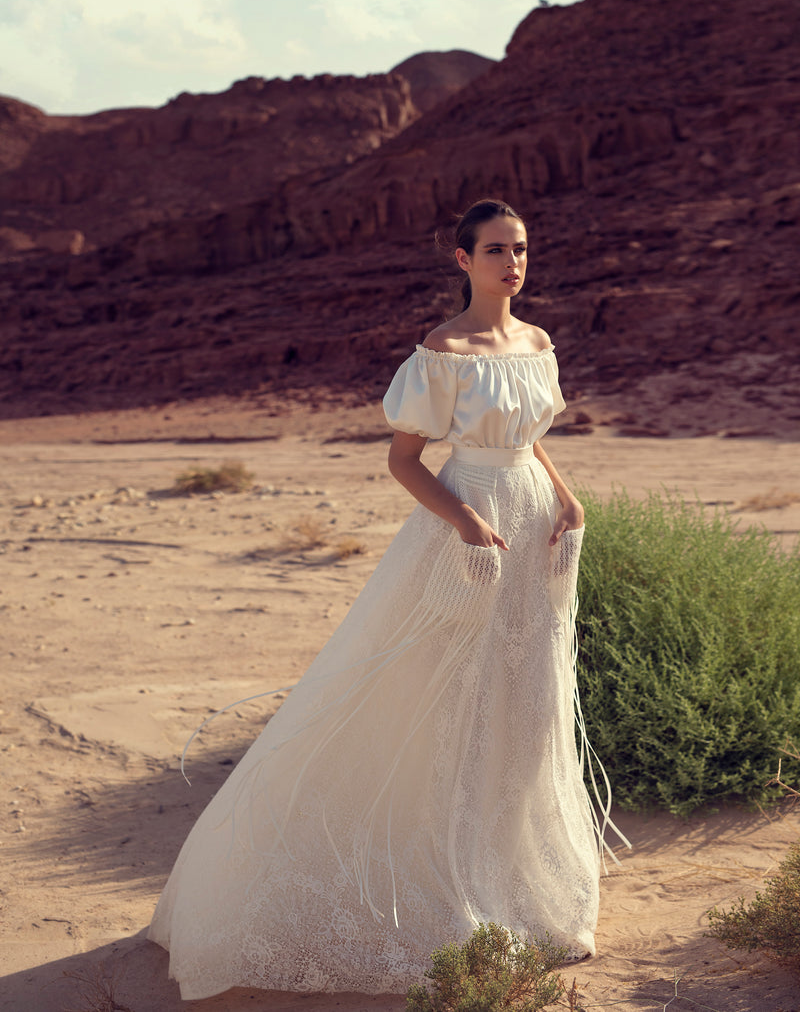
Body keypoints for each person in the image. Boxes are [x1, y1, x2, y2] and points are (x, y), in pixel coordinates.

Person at [149, 198, 620, 1000]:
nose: (513, 263)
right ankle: (449, 895)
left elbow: (530, 435)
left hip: (537, 527)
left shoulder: (537, 342)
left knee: (527, 701)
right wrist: (467, 519)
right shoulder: (443, 349)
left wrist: (566, 495)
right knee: (449, 706)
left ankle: (518, 891)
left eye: (522, 249)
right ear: (462, 260)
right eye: (497, 250)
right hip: (469, 527)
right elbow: (404, 459)